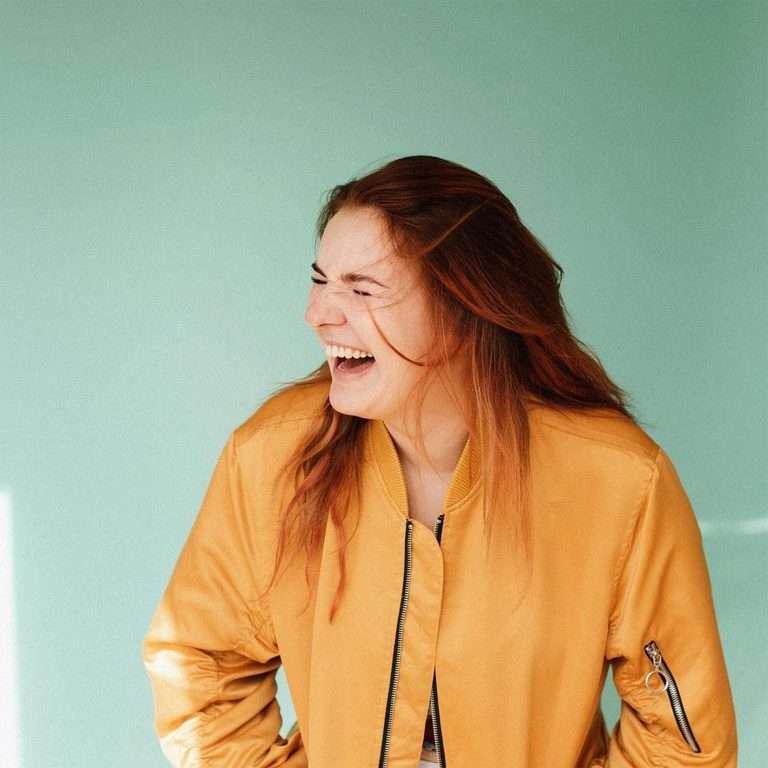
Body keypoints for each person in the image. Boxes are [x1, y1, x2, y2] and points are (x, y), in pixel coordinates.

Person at [142, 155, 738, 767]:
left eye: (362, 289)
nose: (317, 313)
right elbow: (199, 668)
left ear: (464, 304)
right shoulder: (272, 457)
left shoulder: (617, 480)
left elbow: (685, 740)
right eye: (321, 281)